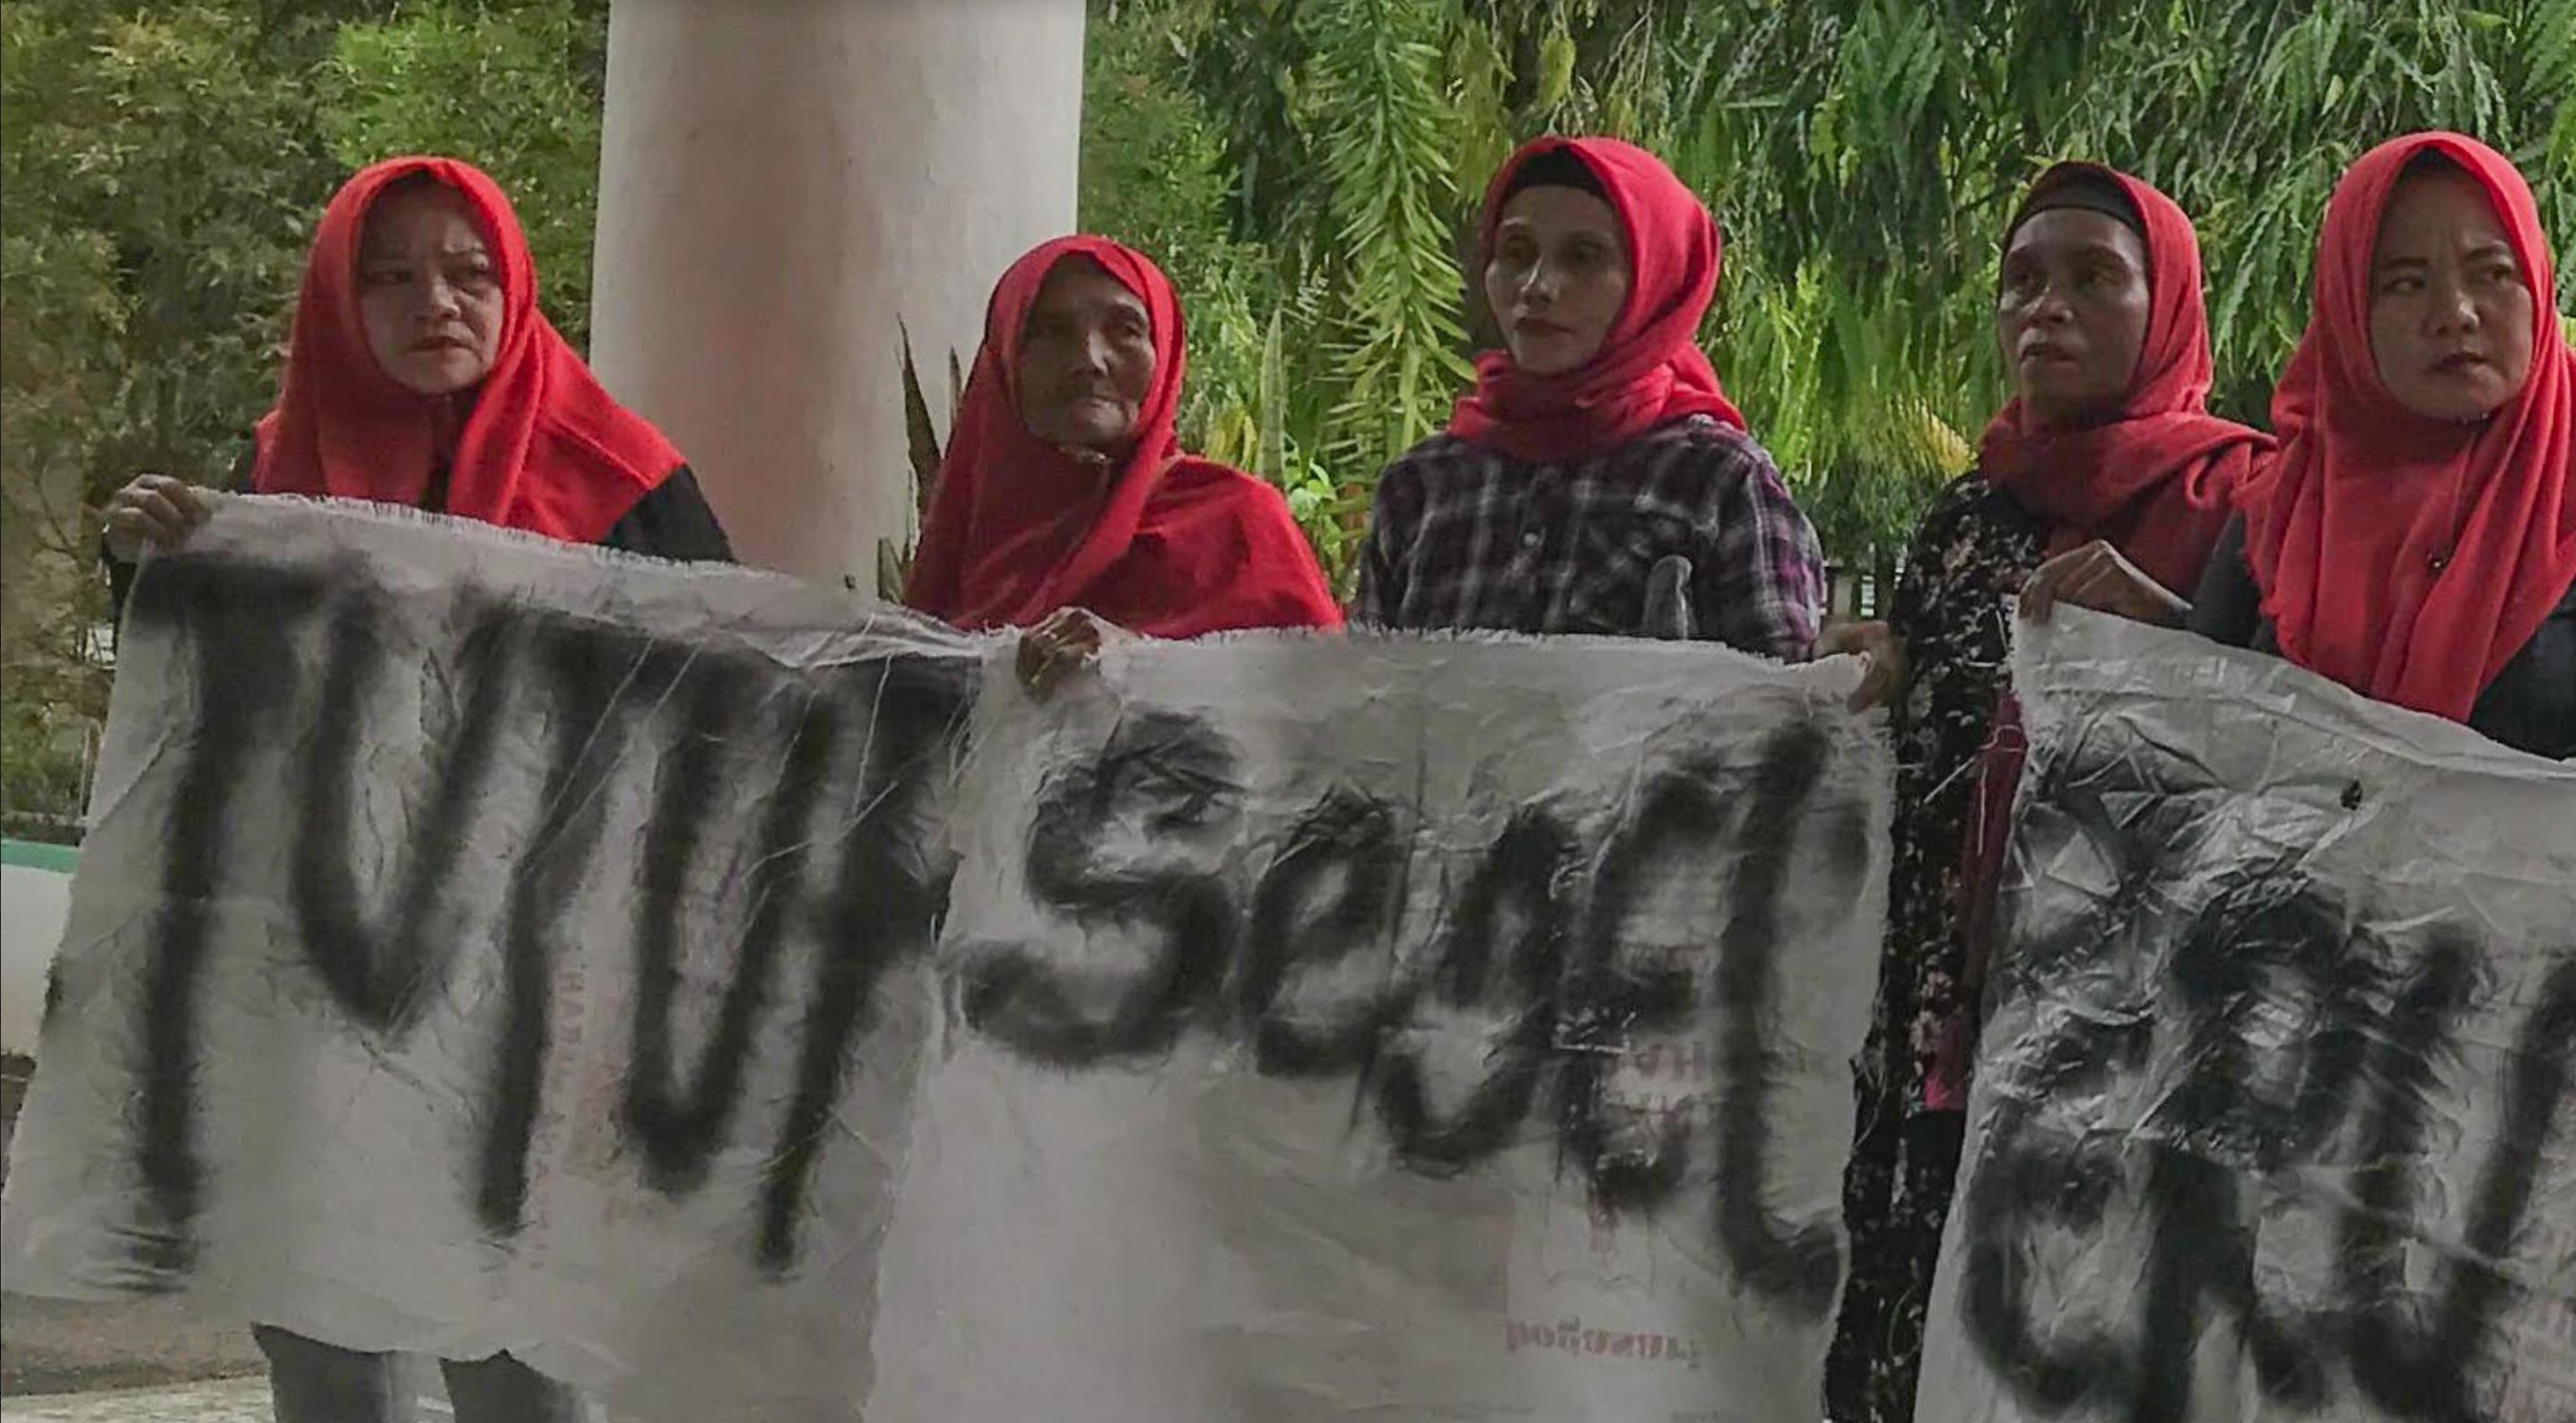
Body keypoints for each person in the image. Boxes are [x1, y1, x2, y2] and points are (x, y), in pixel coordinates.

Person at [101, 153, 731, 1423]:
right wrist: (150, 569)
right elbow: (211, 713)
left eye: (466, 270)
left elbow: (734, 698)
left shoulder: (632, 486)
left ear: (512, 284)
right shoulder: (276, 482)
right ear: (340, 300)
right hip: (319, 985)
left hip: (538, 1003)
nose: (433, 301)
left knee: (522, 1346)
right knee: (331, 1336)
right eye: (388, 277)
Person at [1822, 163, 2273, 1423]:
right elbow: (1923, 707)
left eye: (2091, 279)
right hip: (1935, 1012)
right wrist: (1879, 661)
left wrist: (2179, 635)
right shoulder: (1970, 511)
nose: (2046, 310)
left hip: (2124, 1022)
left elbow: (2291, 745)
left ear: (2167, 305)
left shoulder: (2243, 504)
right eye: (2021, 281)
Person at [1350, 135, 1824, 655]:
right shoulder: (1424, 486)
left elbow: (1785, 707)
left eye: (1583, 257)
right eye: (1516, 252)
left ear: (1654, 280)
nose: (1537, 285)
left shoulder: (1718, 481)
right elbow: (1369, 701)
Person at [2183, 132, 2571, 760]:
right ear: (2347, 312)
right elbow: (2199, 745)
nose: (2455, 313)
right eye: (2405, 284)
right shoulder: (2287, 507)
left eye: (2494, 272)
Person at [902, 235, 1343, 688]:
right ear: (1006, 358)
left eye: (1126, 330)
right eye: (1051, 332)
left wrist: (1143, 664)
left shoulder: (1235, 522)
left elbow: (1327, 713)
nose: (1089, 360)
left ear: (1164, 351)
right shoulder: (969, 539)